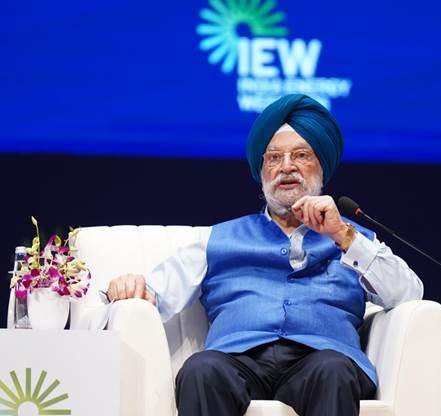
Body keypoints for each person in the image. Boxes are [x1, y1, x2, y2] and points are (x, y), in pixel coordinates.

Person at [106, 94, 424, 416]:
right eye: (273, 158)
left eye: (301, 155)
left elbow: (408, 293)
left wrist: (342, 234)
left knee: (333, 368)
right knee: (201, 369)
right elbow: (157, 293)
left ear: (322, 168)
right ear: (262, 173)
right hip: (237, 362)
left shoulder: (352, 238)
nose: (286, 167)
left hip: (322, 363)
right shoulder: (216, 239)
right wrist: (133, 287)